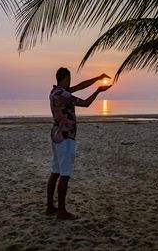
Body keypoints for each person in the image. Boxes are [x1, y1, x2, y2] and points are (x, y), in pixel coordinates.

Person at [46, 67, 112, 219]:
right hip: (65, 137)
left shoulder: (54, 92)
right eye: (69, 79)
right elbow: (86, 103)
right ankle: (61, 211)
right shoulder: (64, 94)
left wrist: (98, 77)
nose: (71, 82)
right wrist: (98, 91)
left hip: (56, 135)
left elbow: (80, 86)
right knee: (65, 174)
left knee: (55, 171)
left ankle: (50, 206)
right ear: (64, 78)